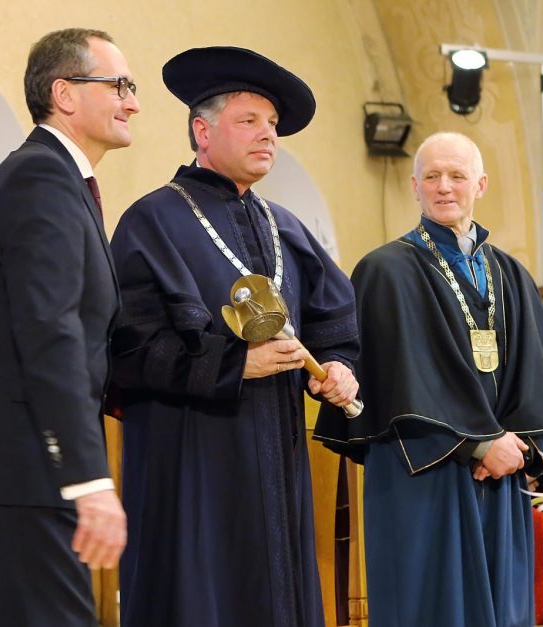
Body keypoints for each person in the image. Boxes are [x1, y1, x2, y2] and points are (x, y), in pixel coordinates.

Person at [109, 46, 359, 627]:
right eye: (249, 122)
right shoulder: (152, 222)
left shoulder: (287, 228)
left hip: (279, 454)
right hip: (191, 458)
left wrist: (340, 367)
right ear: (202, 129)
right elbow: (127, 350)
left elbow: (335, 325)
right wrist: (234, 365)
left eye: (272, 126)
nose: (267, 136)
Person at [314, 132, 543, 627]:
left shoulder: (512, 274)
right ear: (414, 186)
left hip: (503, 475)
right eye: (432, 176)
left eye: (457, 175)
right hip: (422, 470)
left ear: (480, 183)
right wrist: (479, 445)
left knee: (504, 609)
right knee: (432, 609)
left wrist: (518, 447)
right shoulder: (384, 270)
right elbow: (400, 379)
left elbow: (540, 373)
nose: (444, 187)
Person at [0, 28, 139, 626]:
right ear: (65, 94)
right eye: (119, 85)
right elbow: (50, 332)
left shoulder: (60, 182)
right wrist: (88, 476)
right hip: (26, 458)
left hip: (20, 458)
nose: (133, 101)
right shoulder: (40, 179)